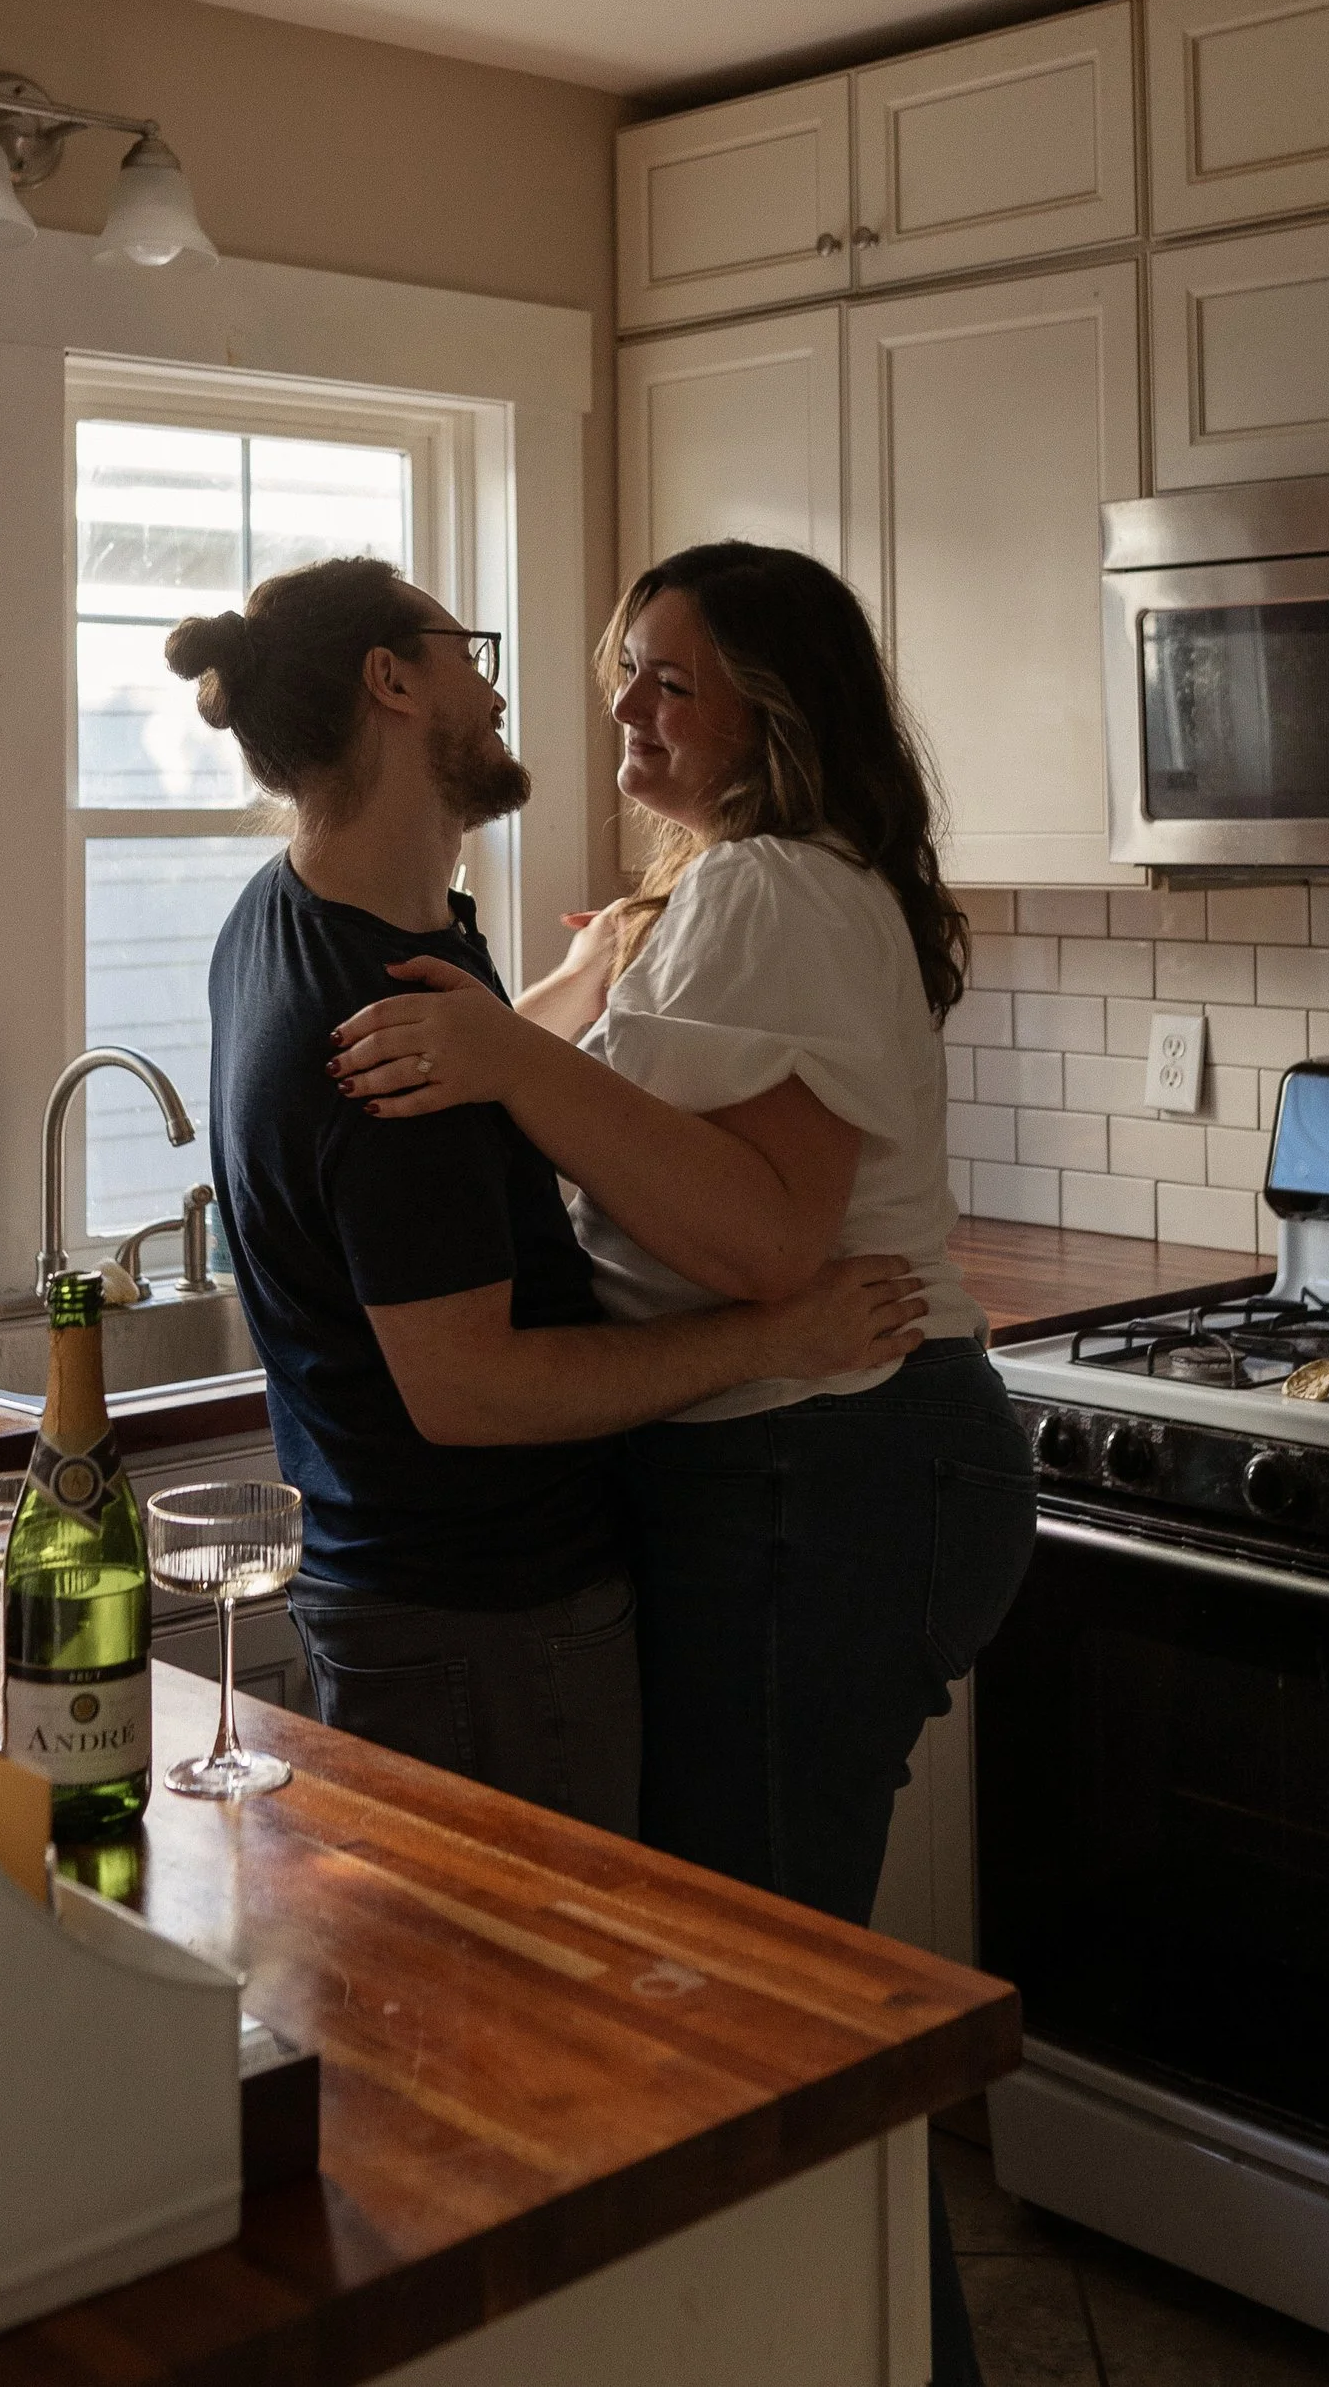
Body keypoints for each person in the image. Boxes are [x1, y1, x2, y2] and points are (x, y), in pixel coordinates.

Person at [329, 537, 1038, 2387]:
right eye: (622, 668)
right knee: (765, 2016)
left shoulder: (783, 893)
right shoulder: (707, 896)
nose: (625, 708)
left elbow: (764, 1244)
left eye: (671, 682)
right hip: (800, 1465)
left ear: (770, 717)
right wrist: (537, 1007)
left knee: (781, 2033)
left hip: (833, 1462)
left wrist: (502, 1051)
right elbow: (593, 1087)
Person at [165, 554, 925, 1842]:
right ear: (394, 682)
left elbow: (477, 1106)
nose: (503, 687)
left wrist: (565, 996)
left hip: (418, 1598)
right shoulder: (384, 1023)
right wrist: (773, 1339)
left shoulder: (310, 920)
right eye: (469, 649)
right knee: (541, 2020)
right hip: (487, 1621)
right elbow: (471, 1389)